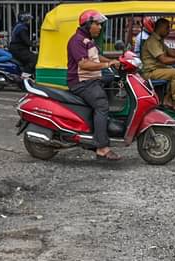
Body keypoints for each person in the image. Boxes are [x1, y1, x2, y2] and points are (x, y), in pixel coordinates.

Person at [67, 10, 123, 161]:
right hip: (81, 82)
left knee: (111, 80)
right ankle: (102, 148)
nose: (99, 27)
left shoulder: (88, 40)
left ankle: (102, 128)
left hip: (91, 80)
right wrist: (107, 64)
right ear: (87, 25)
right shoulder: (77, 40)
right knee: (101, 105)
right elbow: (84, 64)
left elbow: (96, 57)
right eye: (96, 24)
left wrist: (118, 60)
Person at [141, 18, 175, 111]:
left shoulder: (159, 40)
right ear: (160, 28)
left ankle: (167, 99)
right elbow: (164, 60)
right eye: (167, 28)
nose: (169, 31)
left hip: (158, 69)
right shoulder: (152, 41)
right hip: (150, 72)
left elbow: (172, 53)